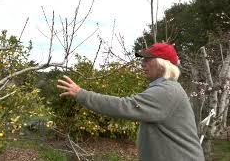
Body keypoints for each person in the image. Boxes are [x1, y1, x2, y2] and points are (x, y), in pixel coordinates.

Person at [57, 43, 205, 161]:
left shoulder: (166, 91)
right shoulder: (166, 89)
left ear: (162, 64)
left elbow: (123, 106)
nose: (142, 64)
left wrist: (81, 94)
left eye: (147, 60)